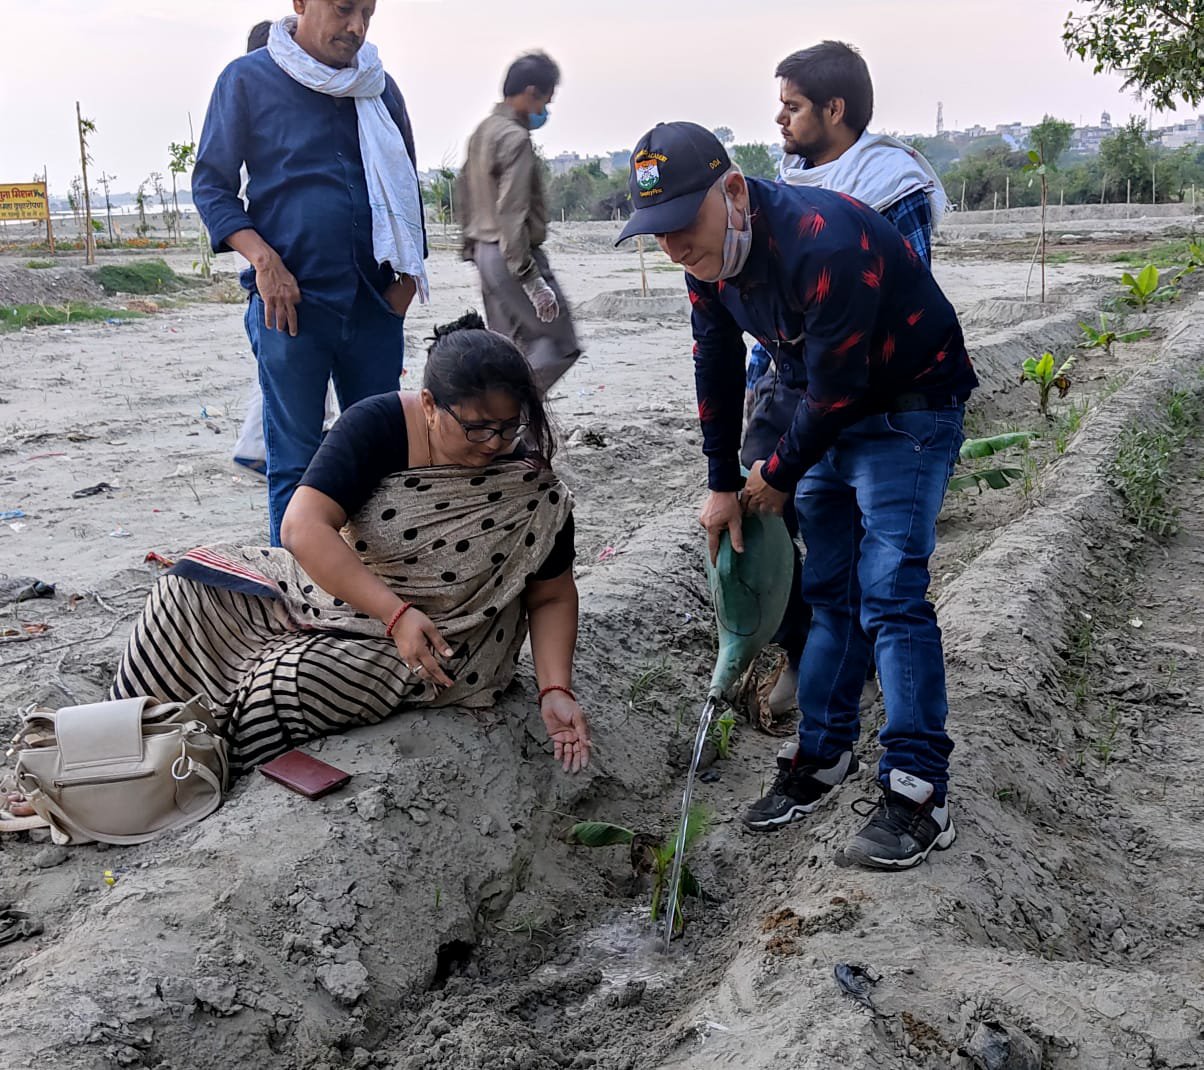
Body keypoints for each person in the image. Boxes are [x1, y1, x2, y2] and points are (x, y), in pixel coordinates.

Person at [617, 122, 977, 869]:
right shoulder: (709, 261)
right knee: (829, 587)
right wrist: (722, 481)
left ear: (735, 192)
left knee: (890, 592)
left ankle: (919, 793)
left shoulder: (824, 244)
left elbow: (841, 390)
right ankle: (822, 755)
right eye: (658, 232)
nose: (675, 245)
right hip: (824, 404)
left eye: (685, 223)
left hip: (908, 405)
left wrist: (774, 474)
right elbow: (714, 358)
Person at [111, 317, 591, 776]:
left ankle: (189, 768)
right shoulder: (378, 425)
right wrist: (394, 613)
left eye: (509, 426)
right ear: (428, 404)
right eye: (476, 428)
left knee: (284, 683)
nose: (494, 442)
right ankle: (114, 750)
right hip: (349, 597)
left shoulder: (531, 490)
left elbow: (550, 595)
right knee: (186, 588)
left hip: (441, 643)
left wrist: (554, 688)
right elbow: (302, 527)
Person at [743, 41, 949, 717]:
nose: (781, 119)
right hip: (792, 376)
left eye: (793, 106)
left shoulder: (891, 183)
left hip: (865, 386)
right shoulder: (787, 186)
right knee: (762, 504)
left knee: (869, 551)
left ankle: (860, 663)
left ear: (835, 109)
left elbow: (898, 290)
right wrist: (761, 373)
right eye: (780, 105)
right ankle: (802, 646)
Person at [193, 1, 427, 546]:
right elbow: (211, 186)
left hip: (372, 307)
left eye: (367, 12)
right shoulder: (247, 81)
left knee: (381, 462)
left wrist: (404, 287)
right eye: (344, 9)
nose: (356, 27)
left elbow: (405, 188)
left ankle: (373, 591)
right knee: (295, 465)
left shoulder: (379, 88)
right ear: (300, 2)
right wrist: (264, 260)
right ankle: (297, 602)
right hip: (289, 308)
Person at [228, 19, 340, 481]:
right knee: (284, 388)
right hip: (274, 280)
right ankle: (257, 449)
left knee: (288, 385)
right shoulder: (249, 105)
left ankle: (266, 449)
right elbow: (223, 194)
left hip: (286, 279)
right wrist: (265, 262)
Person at [459, 52, 581, 394]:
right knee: (558, 344)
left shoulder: (482, 132)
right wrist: (532, 281)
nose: (545, 109)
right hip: (512, 255)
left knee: (509, 350)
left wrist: (473, 252)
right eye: (545, 99)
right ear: (531, 93)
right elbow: (512, 213)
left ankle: (503, 437)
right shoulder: (515, 138)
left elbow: (464, 194)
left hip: (484, 253)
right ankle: (505, 417)